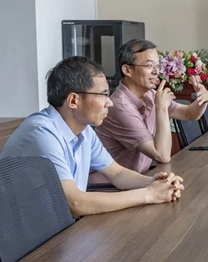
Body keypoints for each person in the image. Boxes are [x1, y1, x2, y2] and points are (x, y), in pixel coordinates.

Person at [0, 57, 184, 217]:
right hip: (32, 241)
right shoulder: (41, 133)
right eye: (103, 95)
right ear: (74, 100)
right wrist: (148, 194)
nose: (109, 103)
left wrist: (156, 182)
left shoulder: (84, 131)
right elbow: (74, 203)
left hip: (62, 228)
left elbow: (117, 173)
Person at [92, 39, 208, 184]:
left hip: (137, 180)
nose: (156, 72)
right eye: (149, 66)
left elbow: (189, 114)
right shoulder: (120, 106)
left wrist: (203, 98)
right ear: (127, 70)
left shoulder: (150, 94)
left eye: (157, 66)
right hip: (109, 187)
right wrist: (161, 108)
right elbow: (162, 156)